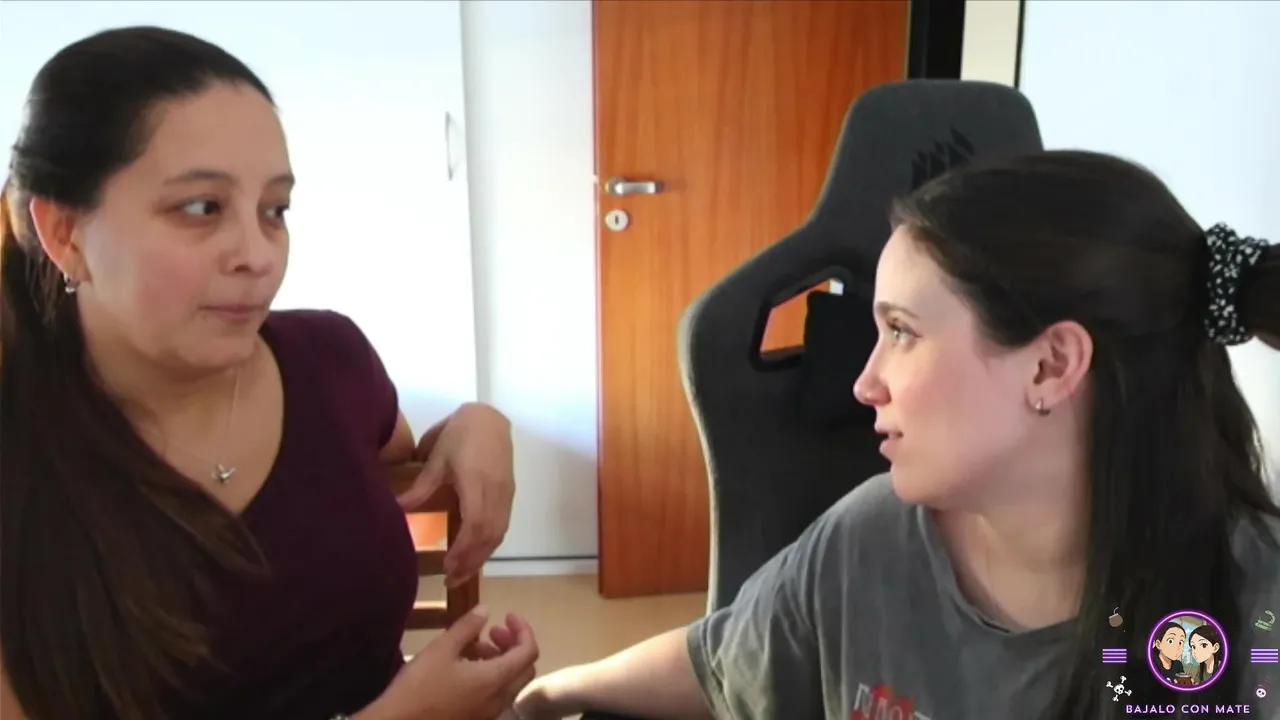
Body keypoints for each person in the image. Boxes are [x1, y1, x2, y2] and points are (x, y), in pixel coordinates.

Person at [513, 151, 1280, 719]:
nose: (864, 382)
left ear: (1051, 366)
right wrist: (553, 692)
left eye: (903, 332)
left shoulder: (1255, 618)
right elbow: (721, 663)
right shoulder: (871, 539)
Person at [0, 26, 539, 720]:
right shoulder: (22, 459)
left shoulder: (331, 360)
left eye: (274, 210)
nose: (258, 255)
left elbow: (397, 467)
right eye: (202, 208)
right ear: (65, 232)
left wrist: (475, 424)